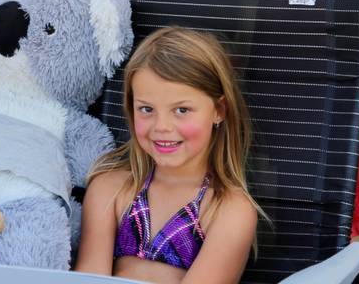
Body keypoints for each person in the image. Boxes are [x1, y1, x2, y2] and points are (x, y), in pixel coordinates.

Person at [75, 27, 262, 283]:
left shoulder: (228, 209)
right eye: (146, 109)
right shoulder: (109, 189)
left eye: (182, 110)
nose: (161, 126)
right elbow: (88, 278)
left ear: (218, 110)